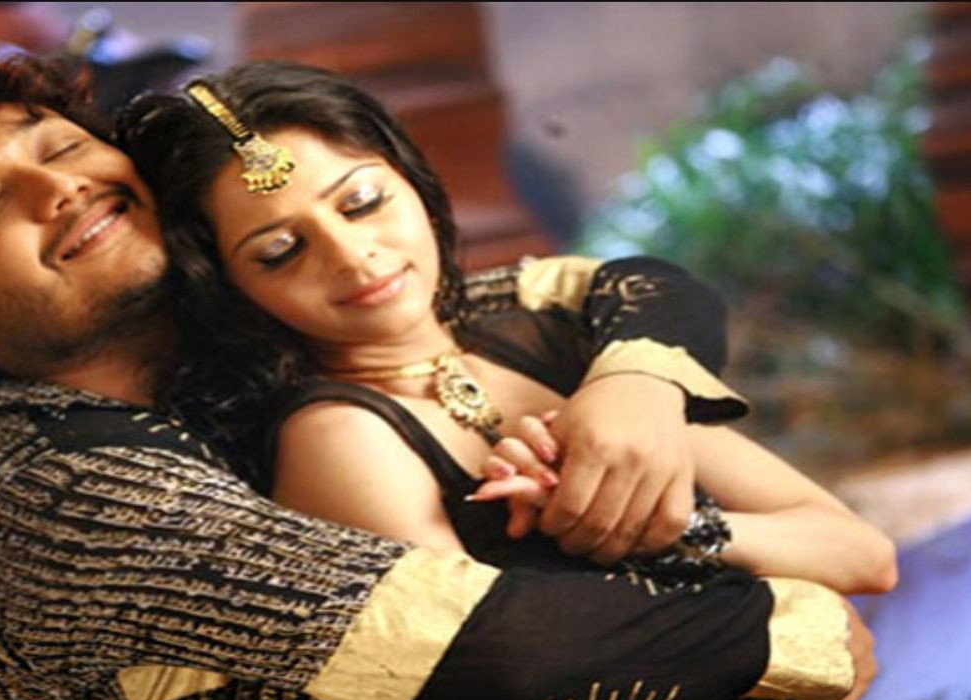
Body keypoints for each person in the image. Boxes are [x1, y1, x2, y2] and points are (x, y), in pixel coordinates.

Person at [0, 52, 873, 700]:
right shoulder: (48, 484)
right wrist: (793, 634)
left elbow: (605, 287)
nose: (54, 191)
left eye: (56, 150)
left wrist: (629, 388)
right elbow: (477, 646)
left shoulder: (241, 335)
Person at [118, 60, 897, 598]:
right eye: (282, 251)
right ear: (232, 289)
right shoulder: (341, 438)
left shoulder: (549, 340)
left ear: (412, 180)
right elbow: (504, 671)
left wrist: (666, 523)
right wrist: (791, 636)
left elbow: (861, 555)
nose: (354, 257)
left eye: (362, 202)